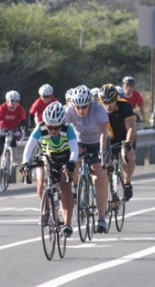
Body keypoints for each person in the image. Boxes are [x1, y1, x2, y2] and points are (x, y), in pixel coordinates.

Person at [20, 101, 77, 238]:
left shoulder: (68, 129)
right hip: (47, 156)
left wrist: (71, 162)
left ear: (62, 124)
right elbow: (29, 148)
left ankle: (67, 224)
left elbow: (74, 149)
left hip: (64, 158)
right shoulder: (40, 128)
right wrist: (25, 163)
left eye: (57, 128)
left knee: (65, 186)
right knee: (42, 182)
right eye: (50, 127)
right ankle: (46, 209)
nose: (53, 131)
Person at [66, 85, 111, 233]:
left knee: (100, 178)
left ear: (89, 103)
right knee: (74, 161)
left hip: (97, 143)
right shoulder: (70, 110)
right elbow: (63, 130)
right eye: (77, 106)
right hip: (78, 142)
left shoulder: (98, 109)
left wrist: (102, 151)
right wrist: (71, 147)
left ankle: (102, 218)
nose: (80, 110)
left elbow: (104, 132)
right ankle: (75, 186)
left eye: (84, 106)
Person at [98, 83, 136, 201]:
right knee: (101, 162)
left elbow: (130, 127)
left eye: (111, 102)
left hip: (123, 137)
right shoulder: (97, 108)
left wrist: (128, 144)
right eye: (105, 103)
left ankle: (127, 182)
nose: (108, 106)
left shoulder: (125, 106)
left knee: (127, 155)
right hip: (107, 138)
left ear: (116, 100)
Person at [0, 90, 27, 182]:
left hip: (13, 128)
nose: (15, 103)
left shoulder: (20, 109)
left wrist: (23, 131)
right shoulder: (2, 108)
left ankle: (14, 160)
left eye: (17, 101)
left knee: (12, 142)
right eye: (12, 101)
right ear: (7, 101)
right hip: (2, 128)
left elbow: (23, 122)